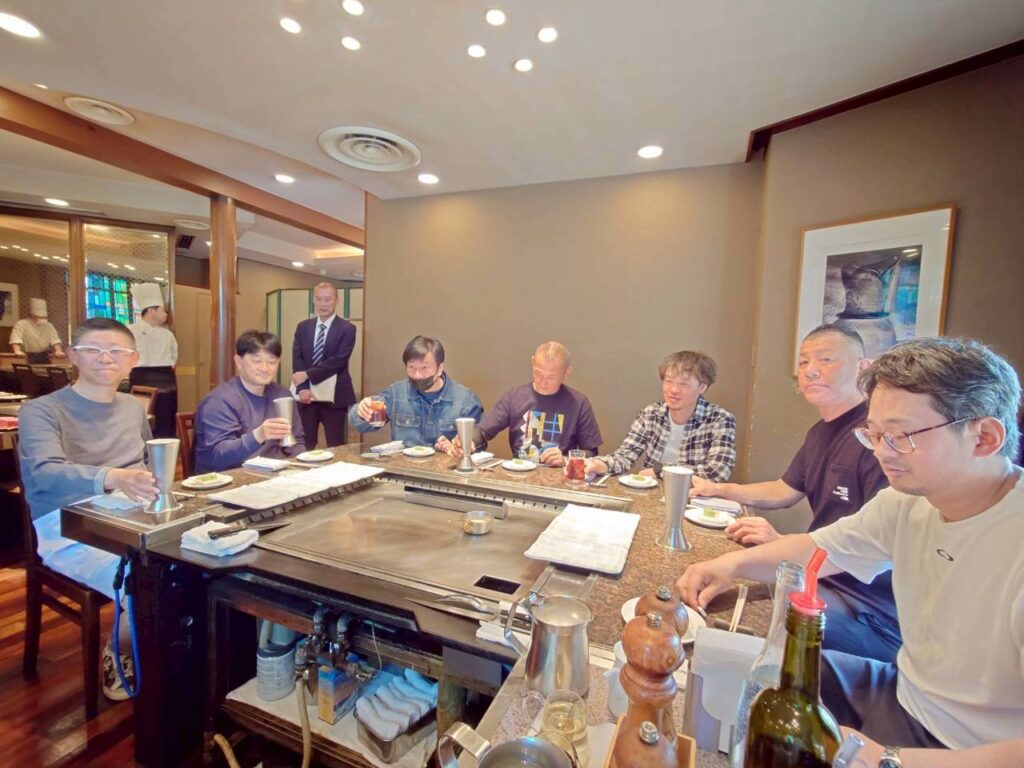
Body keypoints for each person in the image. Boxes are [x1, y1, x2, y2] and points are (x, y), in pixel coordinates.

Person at [676, 337, 1024, 765]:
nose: (881, 452)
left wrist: (887, 758)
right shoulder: (906, 503)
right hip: (905, 691)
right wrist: (730, 564)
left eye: (900, 436)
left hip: (971, 746)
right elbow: (819, 548)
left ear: (984, 437)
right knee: (764, 683)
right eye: (874, 435)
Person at [688, 325, 898, 661]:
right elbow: (784, 490)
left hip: (867, 606)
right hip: (818, 578)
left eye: (825, 360)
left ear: (864, 368)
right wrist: (720, 489)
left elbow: (865, 544)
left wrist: (784, 544)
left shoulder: (879, 442)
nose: (810, 370)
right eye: (803, 362)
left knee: (738, 638)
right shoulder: (820, 433)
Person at [18, 317, 158, 700]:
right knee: (143, 580)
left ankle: (176, 654)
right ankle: (121, 651)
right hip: (67, 523)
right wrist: (112, 477)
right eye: (93, 350)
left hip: (133, 513)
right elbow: (44, 472)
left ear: (133, 359)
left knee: (198, 559)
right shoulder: (40, 410)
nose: (105, 358)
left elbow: (146, 462)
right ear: (72, 355)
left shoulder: (132, 408)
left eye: (116, 351)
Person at [584, 350, 735, 481]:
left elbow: (718, 471)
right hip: (651, 494)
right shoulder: (651, 413)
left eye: (683, 384)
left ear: (702, 387)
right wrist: (600, 464)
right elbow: (625, 456)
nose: (673, 390)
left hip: (694, 496)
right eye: (668, 381)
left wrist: (660, 471)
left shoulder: (719, 419)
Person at [457, 341, 603, 467]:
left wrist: (566, 459)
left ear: (567, 372)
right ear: (533, 362)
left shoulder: (578, 403)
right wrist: (469, 441)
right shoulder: (514, 397)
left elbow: (592, 452)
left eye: (551, 378)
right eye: (538, 374)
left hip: (560, 477)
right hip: (520, 473)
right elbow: (484, 430)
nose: (543, 382)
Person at [194, 330, 305, 473]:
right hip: (227, 478)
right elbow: (217, 456)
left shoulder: (282, 394)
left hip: (274, 475)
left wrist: (304, 468)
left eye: (272, 362)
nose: (265, 368)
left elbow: (296, 441)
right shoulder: (219, 401)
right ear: (238, 362)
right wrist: (258, 435)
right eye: (256, 361)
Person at [349, 335, 482, 451]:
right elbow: (361, 425)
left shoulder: (465, 400)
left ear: (440, 368)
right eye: (411, 367)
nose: (417, 375)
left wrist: (458, 447)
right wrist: (362, 412)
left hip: (447, 469)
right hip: (404, 468)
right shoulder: (396, 394)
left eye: (424, 368)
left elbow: (479, 442)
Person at [291, 282, 357, 449]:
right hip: (307, 397)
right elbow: (297, 359)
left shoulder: (347, 328)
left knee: (336, 445)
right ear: (313, 300)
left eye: (327, 299)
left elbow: (338, 360)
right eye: (319, 299)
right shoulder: (303, 327)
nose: (323, 304)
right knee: (305, 444)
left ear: (337, 300)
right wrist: (302, 388)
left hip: (336, 395)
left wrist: (308, 374)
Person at [128, 283, 179, 438]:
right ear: (151, 311)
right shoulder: (130, 331)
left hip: (166, 378)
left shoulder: (167, 334)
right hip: (140, 378)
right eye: (162, 310)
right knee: (142, 419)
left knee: (166, 419)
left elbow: (174, 357)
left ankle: (167, 448)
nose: (165, 314)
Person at [10, 297, 66, 363]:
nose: (41, 319)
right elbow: (15, 339)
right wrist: (17, 351)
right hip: (27, 356)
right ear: (32, 316)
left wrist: (58, 351)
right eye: (39, 317)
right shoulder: (21, 324)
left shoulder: (49, 325)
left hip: (44, 355)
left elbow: (55, 340)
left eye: (44, 317)